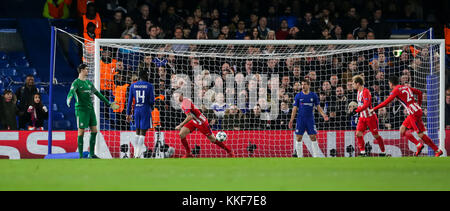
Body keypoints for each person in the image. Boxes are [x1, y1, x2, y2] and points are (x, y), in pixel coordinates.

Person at [370, 75, 443, 157]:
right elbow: (419, 93)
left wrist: (374, 109)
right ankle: (418, 145)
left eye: (389, 83)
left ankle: (437, 150)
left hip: (413, 113)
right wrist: (418, 104)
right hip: (415, 110)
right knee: (402, 129)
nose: (389, 85)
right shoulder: (406, 87)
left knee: (420, 134)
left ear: (390, 84)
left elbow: (386, 102)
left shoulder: (396, 90)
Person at [66, 64, 119, 159]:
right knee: (81, 132)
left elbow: (98, 94)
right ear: (81, 70)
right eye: (86, 69)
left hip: (90, 109)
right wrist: (68, 100)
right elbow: (71, 92)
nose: (88, 71)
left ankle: (91, 154)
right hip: (81, 110)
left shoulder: (88, 83)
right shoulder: (76, 83)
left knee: (94, 131)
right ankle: (81, 155)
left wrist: (109, 103)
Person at [174, 92, 235, 158]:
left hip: (201, 122)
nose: (175, 98)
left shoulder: (185, 103)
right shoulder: (184, 102)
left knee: (213, 139)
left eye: (177, 96)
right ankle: (188, 153)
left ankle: (229, 151)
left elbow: (189, 117)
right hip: (194, 121)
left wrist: (180, 125)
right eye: (174, 97)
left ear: (181, 96)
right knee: (181, 134)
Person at [289, 79, 329, 157]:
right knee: (298, 137)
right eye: (302, 84)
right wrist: (291, 120)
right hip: (300, 119)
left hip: (310, 119)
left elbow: (318, 107)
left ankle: (316, 156)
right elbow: (294, 108)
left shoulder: (313, 95)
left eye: (305, 84)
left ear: (309, 85)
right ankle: (299, 157)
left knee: (313, 137)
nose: (303, 86)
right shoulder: (298, 96)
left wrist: (324, 115)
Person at [351, 75, 386, 156]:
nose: (352, 85)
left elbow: (366, 105)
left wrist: (356, 111)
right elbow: (361, 105)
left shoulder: (366, 91)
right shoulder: (358, 92)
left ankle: (383, 152)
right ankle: (363, 152)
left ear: (358, 83)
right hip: (362, 117)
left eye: (353, 83)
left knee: (376, 135)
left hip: (370, 117)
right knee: (358, 134)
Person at [126, 69, 155, 158]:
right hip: (145, 109)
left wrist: (128, 114)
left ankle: (135, 153)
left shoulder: (133, 86)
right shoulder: (149, 86)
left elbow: (130, 101)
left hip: (136, 110)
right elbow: (152, 101)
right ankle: (138, 155)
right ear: (146, 75)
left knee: (137, 131)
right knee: (143, 132)